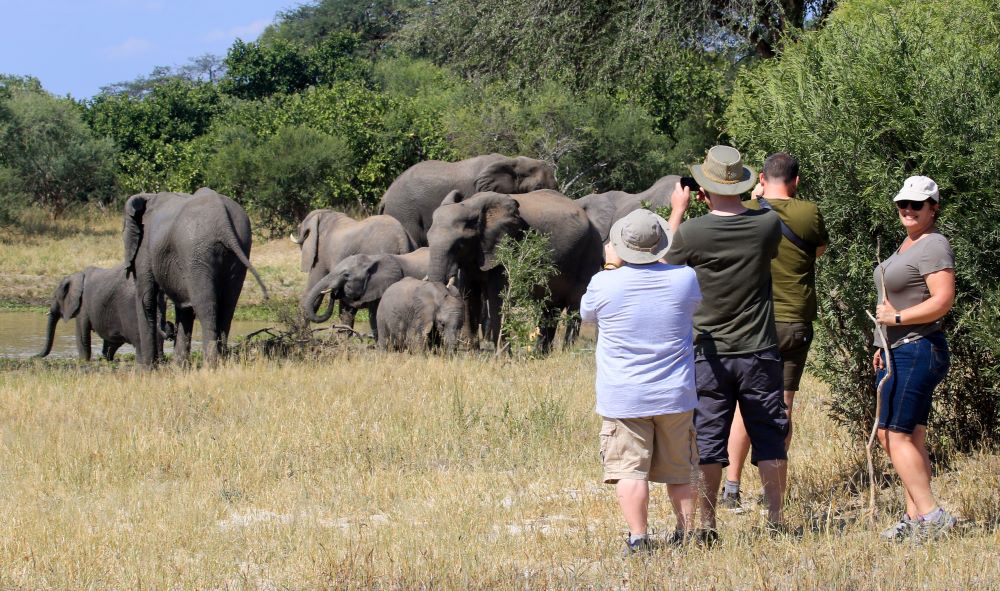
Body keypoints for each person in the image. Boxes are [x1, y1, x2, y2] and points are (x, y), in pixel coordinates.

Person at [664, 145, 788, 536]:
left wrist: (679, 211)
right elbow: (766, 209)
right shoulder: (765, 226)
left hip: (708, 352)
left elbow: (665, 265)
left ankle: (707, 526)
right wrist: (753, 198)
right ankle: (776, 521)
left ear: (702, 190)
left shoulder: (691, 232)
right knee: (770, 437)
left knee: (709, 442)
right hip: (760, 350)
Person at [580, 208, 702, 554]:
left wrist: (609, 266)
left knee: (629, 471)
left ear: (619, 247)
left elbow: (586, 315)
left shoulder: (604, 281)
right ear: (659, 245)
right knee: (681, 469)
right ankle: (685, 533)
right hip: (675, 393)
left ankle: (639, 538)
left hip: (624, 395)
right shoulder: (685, 278)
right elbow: (691, 306)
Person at [722, 152, 829, 508]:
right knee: (782, 407)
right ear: (796, 181)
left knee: (744, 405)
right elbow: (818, 252)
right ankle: (773, 495)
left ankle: (731, 487)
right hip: (794, 320)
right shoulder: (809, 213)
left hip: (755, 321)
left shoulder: (750, 211)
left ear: (762, 179)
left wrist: (754, 197)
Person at [872, 175, 955, 542]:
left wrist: (898, 320)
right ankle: (916, 520)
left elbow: (943, 300)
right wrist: (881, 343)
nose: (907, 210)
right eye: (902, 204)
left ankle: (933, 516)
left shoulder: (933, 245)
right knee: (911, 436)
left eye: (916, 205)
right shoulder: (909, 244)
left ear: (933, 208)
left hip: (918, 346)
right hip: (897, 348)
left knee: (893, 435)